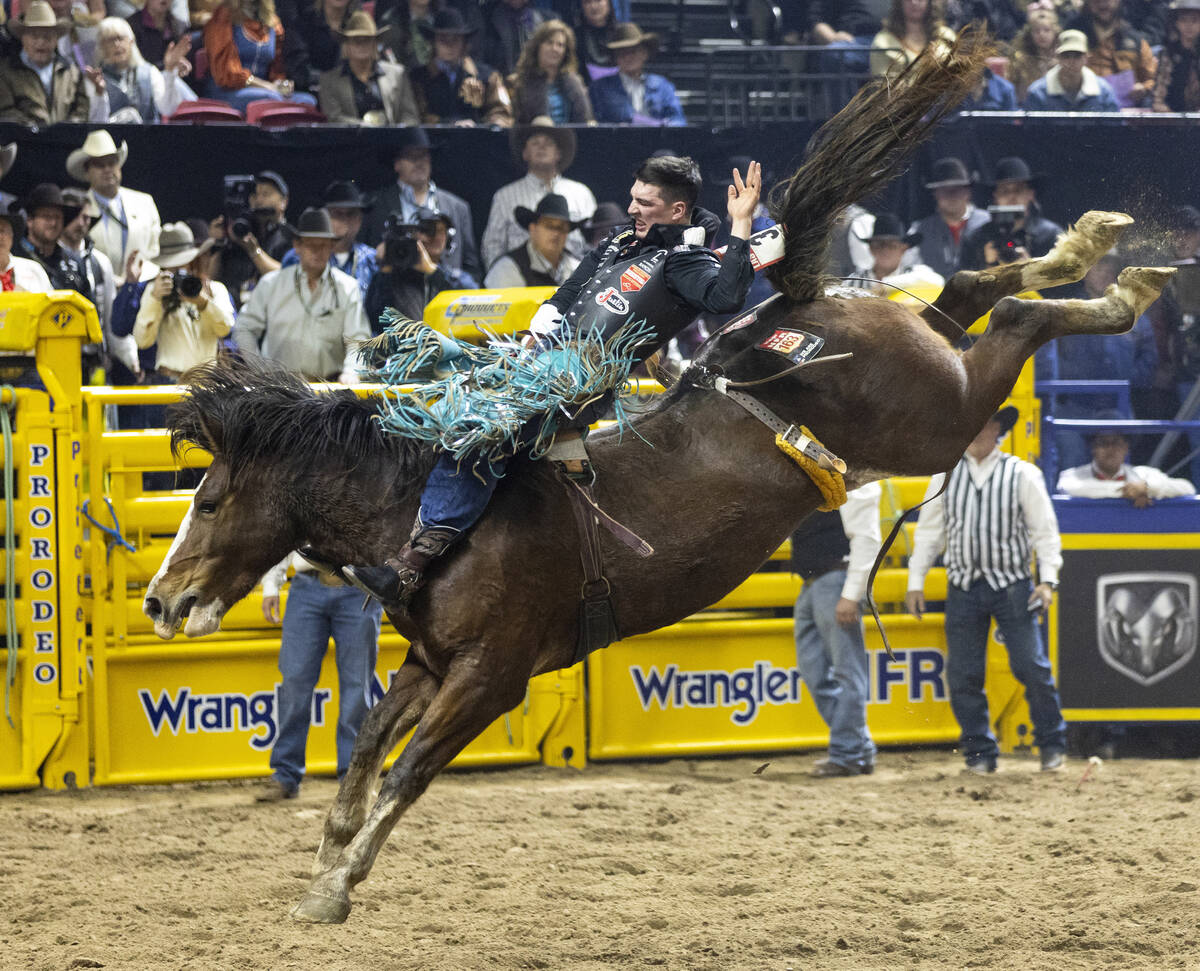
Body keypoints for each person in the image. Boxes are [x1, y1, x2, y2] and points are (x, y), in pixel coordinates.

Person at [343, 154, 760, 611]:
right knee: (439, 402)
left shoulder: (685, 261)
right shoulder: (621, 240)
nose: (633, 207)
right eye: (633, 197)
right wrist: (534, 337)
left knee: (481, 429)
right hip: (539, 361)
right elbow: (568, 292)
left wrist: (741, 224)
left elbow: (726, 295)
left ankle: (411, 565)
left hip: (579, 385)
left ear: (677, 211)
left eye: (645, 202)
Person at [905, 406, 1068, 775]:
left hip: (1012, 585)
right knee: (963, 674)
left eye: (986, 422)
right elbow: (929, 533)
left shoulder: (1023, 474)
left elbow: (1045, 533)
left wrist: (1047, 580)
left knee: (1031, 667)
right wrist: (916, 581)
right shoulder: (945, 475)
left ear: (998, 428)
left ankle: (1052, 744)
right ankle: (979, 752)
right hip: (963, 585)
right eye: (974, 423)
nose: (978, 430)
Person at [255, 552, 382, 802]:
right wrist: (271, 585)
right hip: (315, 586)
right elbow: (287, 528)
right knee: (295, 684)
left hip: (358, 582)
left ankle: (351, 780)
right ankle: (286, 775)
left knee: (356, 689)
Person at [792, 481, 882, 778]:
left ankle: (846, 753)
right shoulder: (835, 476)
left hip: (835, 579)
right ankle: (859, 747)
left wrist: (851, 594)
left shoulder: (857, 481)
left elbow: (868, 538)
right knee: (816, 672)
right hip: (814, 581)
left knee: (846, 672)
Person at [233, 207, 369, 384]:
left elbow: (358, 340)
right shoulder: (271, 284)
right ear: (297, 246)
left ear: (331, 247)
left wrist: (351, 373)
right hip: (279, 389)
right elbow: (244, 328)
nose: (317, 251)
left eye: (323, 245)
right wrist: (259, 369)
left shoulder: (348, 287)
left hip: (330, 391)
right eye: (310, 244)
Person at [362, 128, 480, 280]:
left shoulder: (458, 207)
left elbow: (471, 267)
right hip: (395, 290)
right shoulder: (376, 205)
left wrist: (459, 286)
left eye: (424, 155)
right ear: (396, 164)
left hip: (445, 292)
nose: (419, 162)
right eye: (411, 156)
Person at [481, 117, 596, 269]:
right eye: (535, 143)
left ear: (558, 154)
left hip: (574, 280)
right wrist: (503, 278)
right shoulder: (504, 196)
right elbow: (492, 246)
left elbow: (595, 243)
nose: (542, 147)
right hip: (521, 282)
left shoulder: (581, 193)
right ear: (525, 153)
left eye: (548, 143)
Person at [133, 222, 236, 382]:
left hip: (207, 385)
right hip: (169, 382)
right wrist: (155, 300)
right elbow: (142, 341)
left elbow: (225, 329)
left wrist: (202, 302)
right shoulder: (155, 290)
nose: (178, 269)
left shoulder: (214, 289)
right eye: (171, 265)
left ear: (193, 259)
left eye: (183, 262)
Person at [68, 130, 163, 275]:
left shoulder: (144, 202)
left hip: (142, 286)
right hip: (97, 288)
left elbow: (155, 250)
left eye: (112, 163)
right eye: (99, 165)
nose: (107, 169)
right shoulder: (78, 208)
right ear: (87, 172)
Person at [364, 206, 473, 328]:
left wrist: (433, 272)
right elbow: (374, 320)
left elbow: (471, 309)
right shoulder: (397, 278)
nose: (437, 236)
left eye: (442, 231)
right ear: (413, 234)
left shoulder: (455, 278)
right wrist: (385, 273)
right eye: (429, 230)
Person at [202, 0, 316, 110]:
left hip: (266, 90)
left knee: (307, 101)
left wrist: (280, 84)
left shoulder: (271, 21)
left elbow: (276, 68)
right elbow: (228, 74)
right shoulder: (223, 17)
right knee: (270, 99)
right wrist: (269, 87)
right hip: (228, 90)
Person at [0, 1, 99, 125]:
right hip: (24, 142)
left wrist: (66, 129)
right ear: (23, 38)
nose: (41, 42)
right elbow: (6, 111)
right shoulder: (6, 72)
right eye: (34, 36)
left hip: (65, 142)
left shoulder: (72, 72)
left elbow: (81, 109)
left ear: (56, 39)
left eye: (47, 36)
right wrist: (34, 131)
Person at [409, 7, 513, 126]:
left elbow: (501, 111)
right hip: (435, 142)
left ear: (464, 43)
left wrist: (492, 124)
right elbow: (418, 116)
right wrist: (451, 125)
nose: (450, 46)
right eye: (443, 40)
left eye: (455, 39)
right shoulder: (419, 78)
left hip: (478, 141)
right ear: (433, 43)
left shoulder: (487, 76)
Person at [1058, 418, 1196, 504]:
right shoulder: (1072, 475)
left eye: (1116, 443)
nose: (1110, 449)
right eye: (1104, 443)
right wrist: (1133, 490)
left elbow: (1187, 488)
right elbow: (1070, 488)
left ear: (1126, 448)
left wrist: (1148, 488)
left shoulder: (1143, 475)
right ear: (1093, 448)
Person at [317, 9, 421, 124]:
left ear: (375, 44)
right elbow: (333, 118)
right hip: (349, 140)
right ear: (347, 45)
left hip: (392, 139)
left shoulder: (397, 74)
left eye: (367, 40)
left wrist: (396, 133)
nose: (361, 45)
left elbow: (410, 116)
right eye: (356, 40)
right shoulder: (329, 81)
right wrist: (367, 128)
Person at [960, 156, 1063, 270]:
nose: (1011, 196)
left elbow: (1067, 284)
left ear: (1031, 194)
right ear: (995, 196)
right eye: (1005, 191)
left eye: (1018, 189)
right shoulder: (977, 238)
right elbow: (962, 284)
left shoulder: (1051, 236)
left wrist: (1033, 271)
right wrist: (987, 266)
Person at [210, 169, 293, 308]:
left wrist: (254, 251)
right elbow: (211, 278)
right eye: (256, 194)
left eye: (266, 194)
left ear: (284, 201)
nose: (259, 199)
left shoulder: (289, 237)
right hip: (233, 314)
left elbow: (287, 277)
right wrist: (219, 243)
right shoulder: (239, 230)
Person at [281, 180, 377, 298]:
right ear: (324, 217)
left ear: (360, 220)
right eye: (337, 214)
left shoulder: (373, 259)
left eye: (351, 214)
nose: (344, 220)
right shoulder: (299, 256)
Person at [96, 16, 196, 122]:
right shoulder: (97, 77)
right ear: (102, 46)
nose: (116, 44)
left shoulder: (149, 72)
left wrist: (170, 70)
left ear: (131, 41)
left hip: (148, 135)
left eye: (120, 38)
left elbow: (168, 109)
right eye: (110, 40)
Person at [909, 157, 990, 281]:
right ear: (935, 194)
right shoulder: (919, 230)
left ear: (968, 192)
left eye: (956, 190)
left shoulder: (988, 222)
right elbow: (909, 268)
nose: (951, 196)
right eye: (944, 191)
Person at [589, 22, 686, 125]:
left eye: (633, 51)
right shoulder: (601, 87)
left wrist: (663, 127)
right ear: (615, 57)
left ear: (645, 54)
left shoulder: (663, 85)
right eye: (622, 53)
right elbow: (608, 120)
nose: (628, 57)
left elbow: (679, 120)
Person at [1066, 0, 1157, 108]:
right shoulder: (1072, 36)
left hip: (1126, 110)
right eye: (1096, 1)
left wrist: (1143, 88)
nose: (1102, 4)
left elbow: (1152, 78)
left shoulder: (1134, 40)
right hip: (1082, 108)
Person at [484, 192, 582, 287]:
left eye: (561, 228)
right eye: (549, 226)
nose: (556, 233)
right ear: (532, 229)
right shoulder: (506, 269)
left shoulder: (579, 267)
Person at [507, 19, 593, 124]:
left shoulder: (575, 83)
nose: (555, 49)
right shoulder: (519, 82)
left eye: (560, 45)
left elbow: (584, 119)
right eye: (549, 42)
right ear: (537, 46)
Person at [17, 184, 92, 301]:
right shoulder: (14, 257)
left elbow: (90, 307)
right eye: (46, 216)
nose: (53, 223)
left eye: (58, 217)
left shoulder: (74, 262)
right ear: (30, 220)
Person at [848, 212, 944, 298]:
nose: (885, 249)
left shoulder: (914, 273)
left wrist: (887, 285)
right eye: (879, 244)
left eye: (892, 245)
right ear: (871, 248)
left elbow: (938, 281)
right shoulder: (853, 281)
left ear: (903, 248)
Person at [1024, 29, 1121, 110]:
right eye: (1066, 56)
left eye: (1077, 55)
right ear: (1058, 57)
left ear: (1086, 57)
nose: (1071, 61)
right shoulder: (1037, 92)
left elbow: (1114, 129)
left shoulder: (1104, 91)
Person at [281, 0, 361, 93]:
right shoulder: (303, 22)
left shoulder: (359, 24)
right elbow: (299, 70)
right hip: (314, 91)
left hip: (354, 91)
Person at [870, 0, 956, 79]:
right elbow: (880, 85)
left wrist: (941, 65)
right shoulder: (883, 42)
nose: (914, 2)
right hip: (902, 95)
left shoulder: (946, 36)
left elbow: (958, 77)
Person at [1153, 0, 1200, 113]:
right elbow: (1159, 95)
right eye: (1183, 20)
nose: (1189, 26)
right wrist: (1166, 111)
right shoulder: (1168, 52)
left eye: (1194, 20)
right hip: (1172, 115)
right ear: (1176, 23)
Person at [481, 0, 547, 77]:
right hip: (499, 80)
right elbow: (478, 58)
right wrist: (491, 74)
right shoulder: (486, 17)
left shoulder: (545, 19)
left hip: (533, 80)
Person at [1008, 7, 1060, 103]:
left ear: (1055, 32)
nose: (1042, 34)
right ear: (1030, 34)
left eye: (1047, 30)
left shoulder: (1062, 60)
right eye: (1037, 31)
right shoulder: (1021, 60)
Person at [0, 208, 52, 293]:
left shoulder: (34, 269)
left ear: (12, 235)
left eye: (2, 231)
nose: (0, 237)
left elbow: (52, 304)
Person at [127, 0, 190, 69]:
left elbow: (185, 60)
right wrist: (167, 65)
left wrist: (184, 67)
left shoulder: (181, 27)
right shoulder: (130, 26)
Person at [573, 0, 617, 83]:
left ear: (609, 3)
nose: (593, 6)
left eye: (598, 0)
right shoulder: (574, 38)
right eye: (587, 2)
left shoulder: (621, 34)